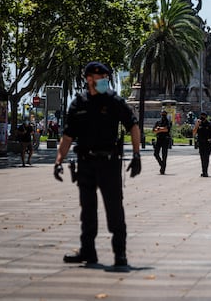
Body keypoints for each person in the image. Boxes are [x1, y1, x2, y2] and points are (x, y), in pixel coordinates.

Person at [53, 61, 141, 268]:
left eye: (105, 77)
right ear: (89, 79)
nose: (103, 81)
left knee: (114, 209)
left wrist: (137, 155)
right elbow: (67, 137)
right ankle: (88, 252)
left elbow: (133, 126)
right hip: (85, 163)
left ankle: (120, 254)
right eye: (99, 77)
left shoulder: (114, 101)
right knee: (88, 210)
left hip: (109, 163)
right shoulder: (78, 104)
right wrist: (58, 161)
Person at [193, 111, 211, 177]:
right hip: (201, 143)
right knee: (202, 158)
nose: (202, 117)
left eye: (203, 116)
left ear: (206, 117)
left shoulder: (210, 124)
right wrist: (197, 125)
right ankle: (204, 171)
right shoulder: (199, 124)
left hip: (208, 143)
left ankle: (205, 171)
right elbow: (194, 133)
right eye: (201, 116)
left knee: (206, 157)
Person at [153, 109, 172, 175]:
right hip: (159, 139)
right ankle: (162, 164)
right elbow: (154, 130)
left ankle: (163, 169)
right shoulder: (158, 122)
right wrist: (161, 129)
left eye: (164, 114)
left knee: (164, 155)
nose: (163, 115)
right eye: (162, 114)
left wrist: (159, 129)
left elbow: (167, 130)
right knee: (155, 153)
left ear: (166, 114)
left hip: (165, 139)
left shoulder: (168, 122)